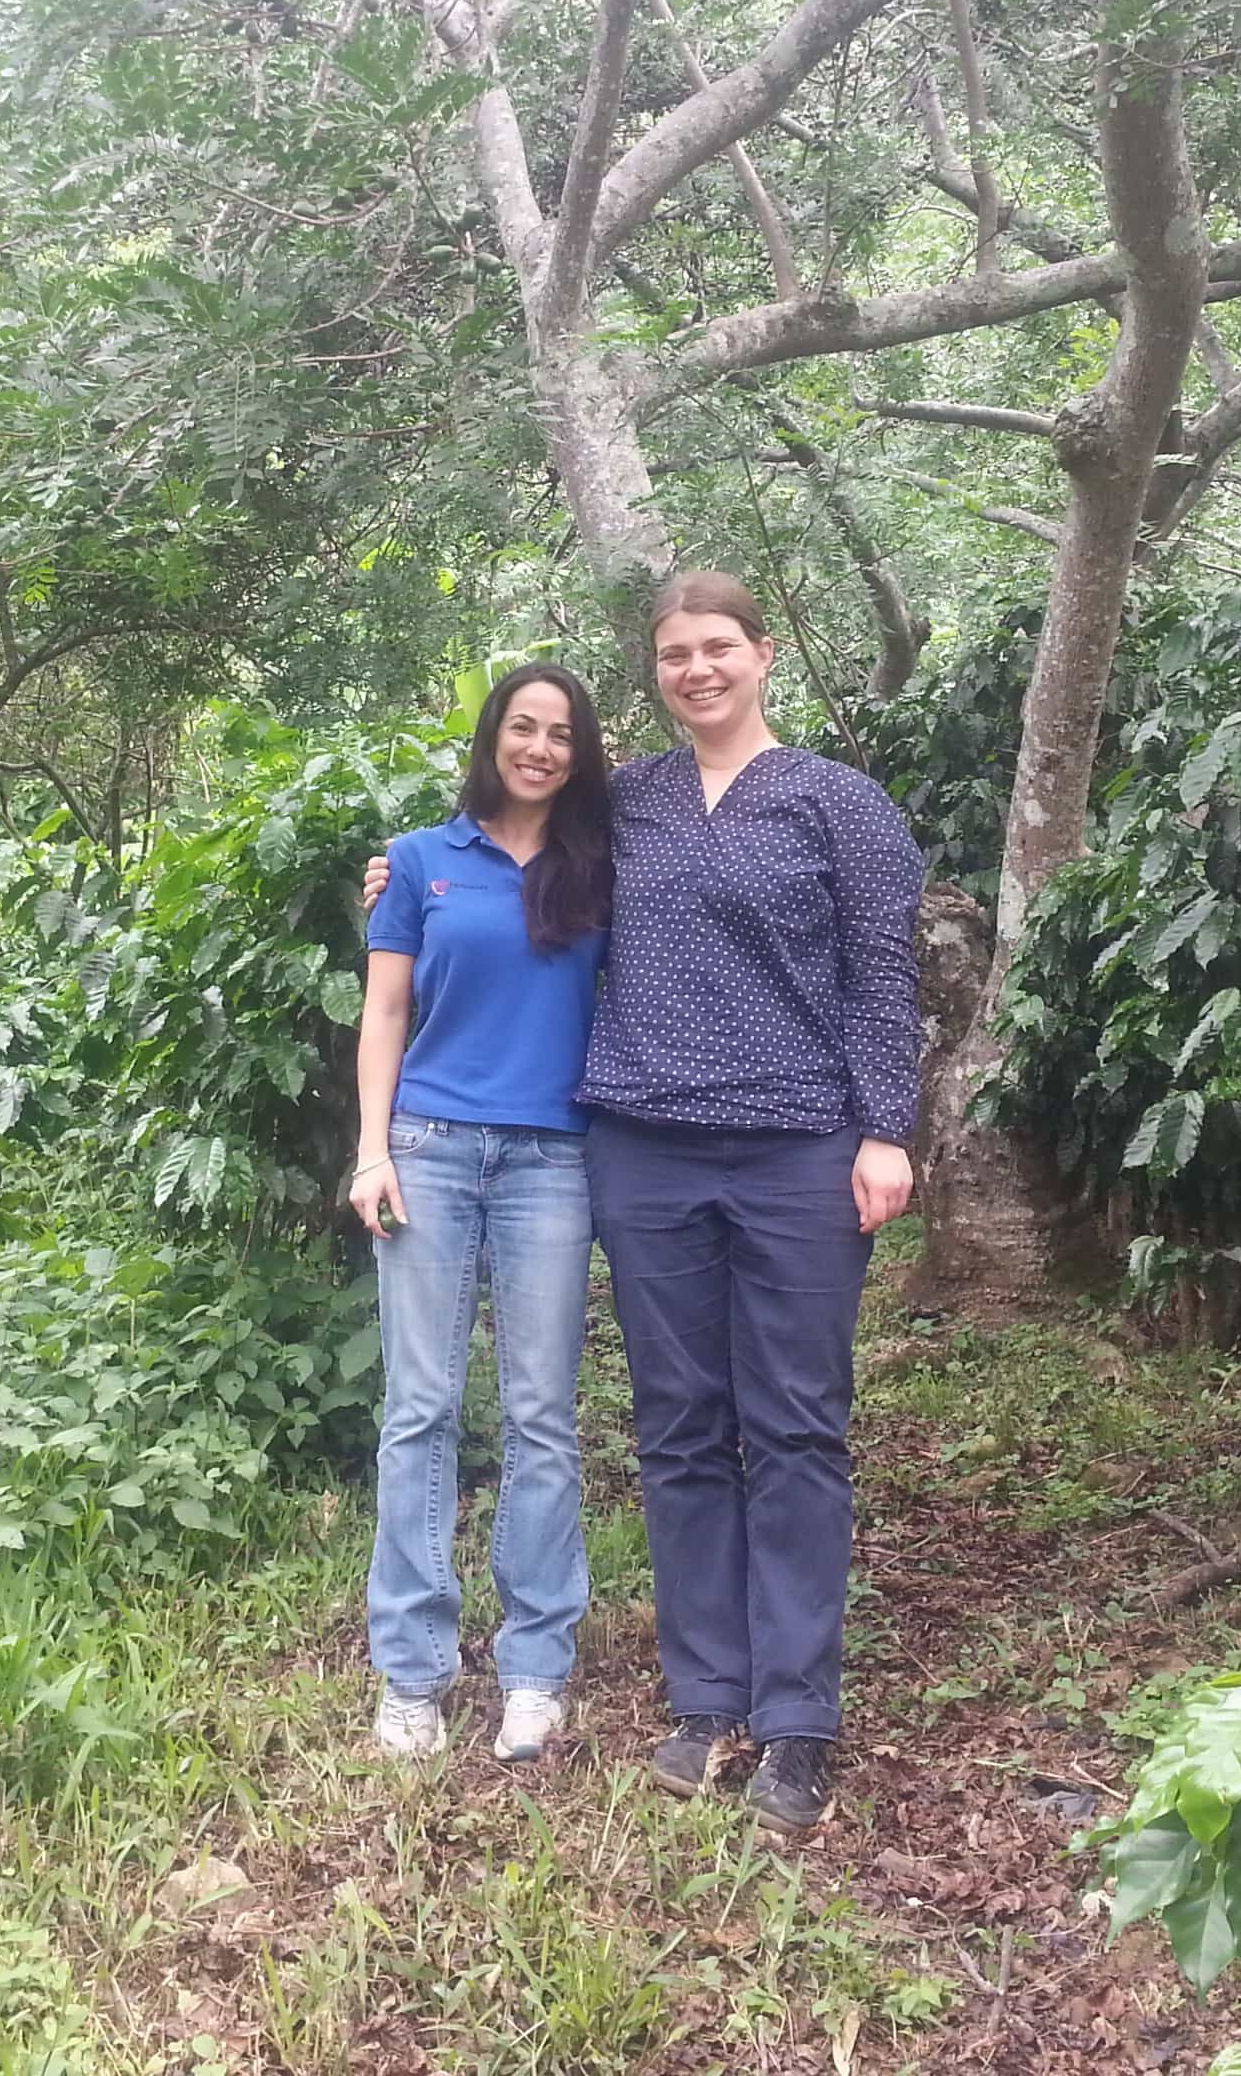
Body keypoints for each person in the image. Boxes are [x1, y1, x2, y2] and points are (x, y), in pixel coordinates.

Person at [366, 574, 923, 1834]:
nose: (695, 670)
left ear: (761, 655)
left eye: (715, 648)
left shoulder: (840, 803)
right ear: (657, 672)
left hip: (797, 1150)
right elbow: (512, 850)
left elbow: (882, 977)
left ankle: (792, 1720)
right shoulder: (630, 807)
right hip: (642, 1149)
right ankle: (701, 1695)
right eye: (673, 654)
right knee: (677, 1426)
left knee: (793, 1424)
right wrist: (393, 887)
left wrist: (887, 1127)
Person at [351, 663, 613, 1765]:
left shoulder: (604, 865)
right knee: (419, 1409)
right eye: (523, 727)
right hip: (430, 1150)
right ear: (491, 737)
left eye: (560, 734)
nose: (540, 748)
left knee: (541, 1414)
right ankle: (411, 1673)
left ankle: (534, 1668)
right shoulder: (417, 863)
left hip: (553, 1157)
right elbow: (385, 1013)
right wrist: (369, 1151)